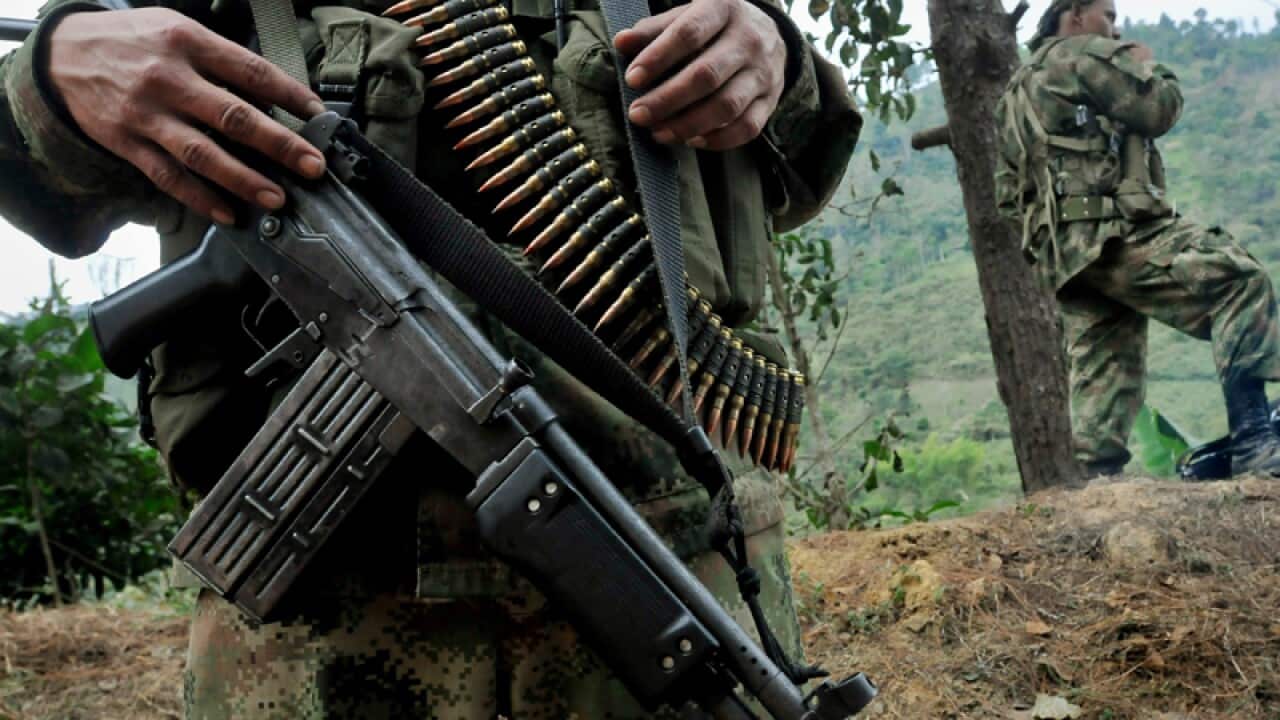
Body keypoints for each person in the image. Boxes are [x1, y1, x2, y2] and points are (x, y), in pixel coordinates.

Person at [1, 0, 860, 715]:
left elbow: (799, 162)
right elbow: (44, 179)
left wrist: (772, 53)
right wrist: (53, 71)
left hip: (667, 595)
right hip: (315, 649)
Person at [995, 0, 1280, 480]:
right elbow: (1157, 109)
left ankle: (1094, 490)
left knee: (1106, 369)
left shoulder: (1014, 94)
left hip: (1068, 259)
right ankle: (1254, 442)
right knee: (1239, 280)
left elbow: (1007, 196)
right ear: (1076, 14)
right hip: (1113, 235)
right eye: (1107, 15)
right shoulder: (1081, 54)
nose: (1114, 27)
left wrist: (1059, 236)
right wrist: (1149, 65)